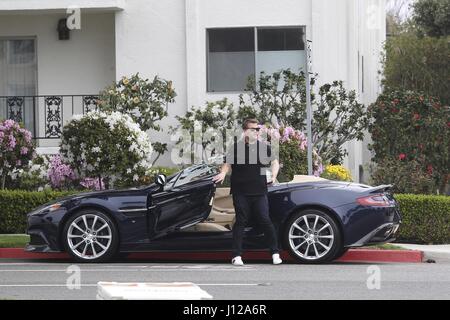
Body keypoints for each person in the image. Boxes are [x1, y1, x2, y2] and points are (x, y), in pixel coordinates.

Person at [212, 118, 282, 266]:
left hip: (260, 192)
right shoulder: (235, 148)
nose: (256, 132)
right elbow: (227, 165)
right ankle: (236, 255)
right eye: (253, 129)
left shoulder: (264, 147)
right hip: (241, 192)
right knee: (241, 221)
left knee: (265, 220)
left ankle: (275, 253)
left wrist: (274, 176)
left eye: (258, 129)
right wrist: (223, 174)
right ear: (245, 131)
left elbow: (275, 163)